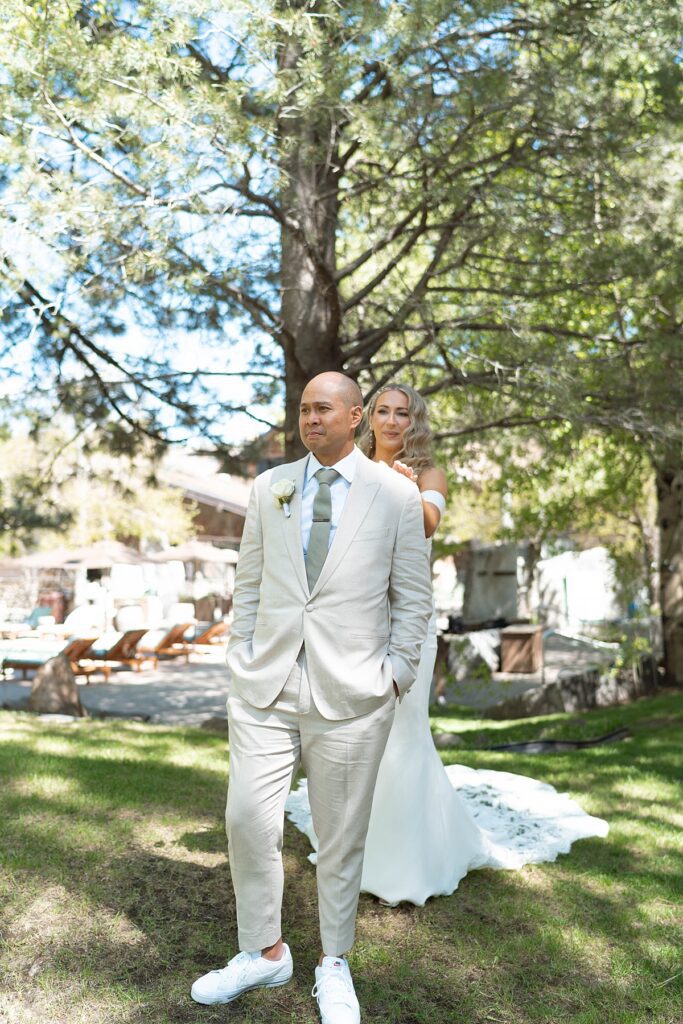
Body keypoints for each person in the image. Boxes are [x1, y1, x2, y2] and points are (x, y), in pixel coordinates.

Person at [286, 383, 609, 906]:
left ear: (415, 421)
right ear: (366, 417)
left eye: (403, 413)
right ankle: (351, 845)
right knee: (353, 731)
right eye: (383, 411)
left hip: (406, 620)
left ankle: (405, 861)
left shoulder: (428, 474)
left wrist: (401, 488)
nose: (392, 421)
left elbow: (428, 522)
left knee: (401, 733)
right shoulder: (349, 468)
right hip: (353, 619)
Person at [191, 372, 433, 1023]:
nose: (310, 419)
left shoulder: (395, 494)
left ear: (354, 416)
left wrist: (396, 673)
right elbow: (248, 583)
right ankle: (264, 953)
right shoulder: (269, 486)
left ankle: (334, 962)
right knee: (247, 819)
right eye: (303, 409)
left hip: (355, 693)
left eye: (323, 408)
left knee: (340, 836)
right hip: (265, 686)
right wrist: (240, 656)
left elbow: (412, 596)